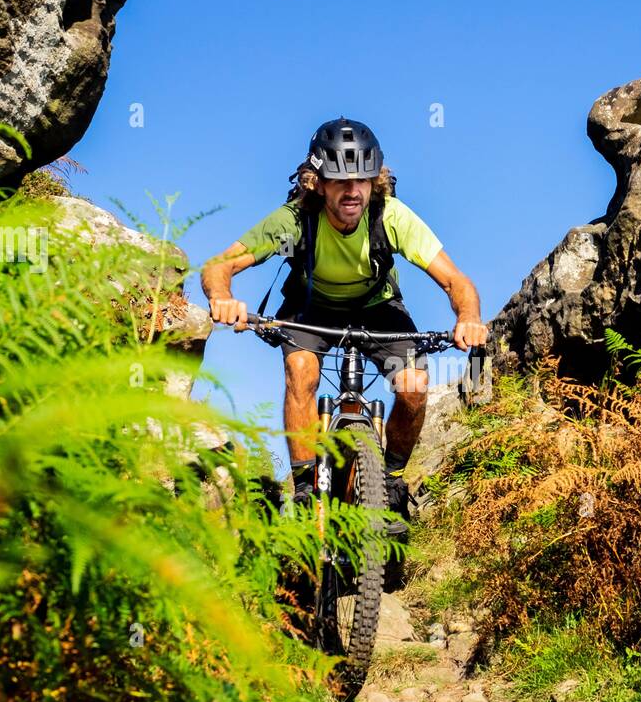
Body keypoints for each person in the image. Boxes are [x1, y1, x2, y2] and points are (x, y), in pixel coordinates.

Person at [201, 117, 488, 512]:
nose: (353, 191)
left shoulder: (390, 217)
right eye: (340, 181)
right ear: (317, 183)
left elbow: (456, 281)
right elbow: (220, 266)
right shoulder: (296, 221)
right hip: (310, 308)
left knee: (413, 386)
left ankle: (390, 481)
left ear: (376, 180)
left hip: (378, 308)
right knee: (301, 372)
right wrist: (222, 296)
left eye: (363, 180)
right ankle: (304, 487)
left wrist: (468, 317)